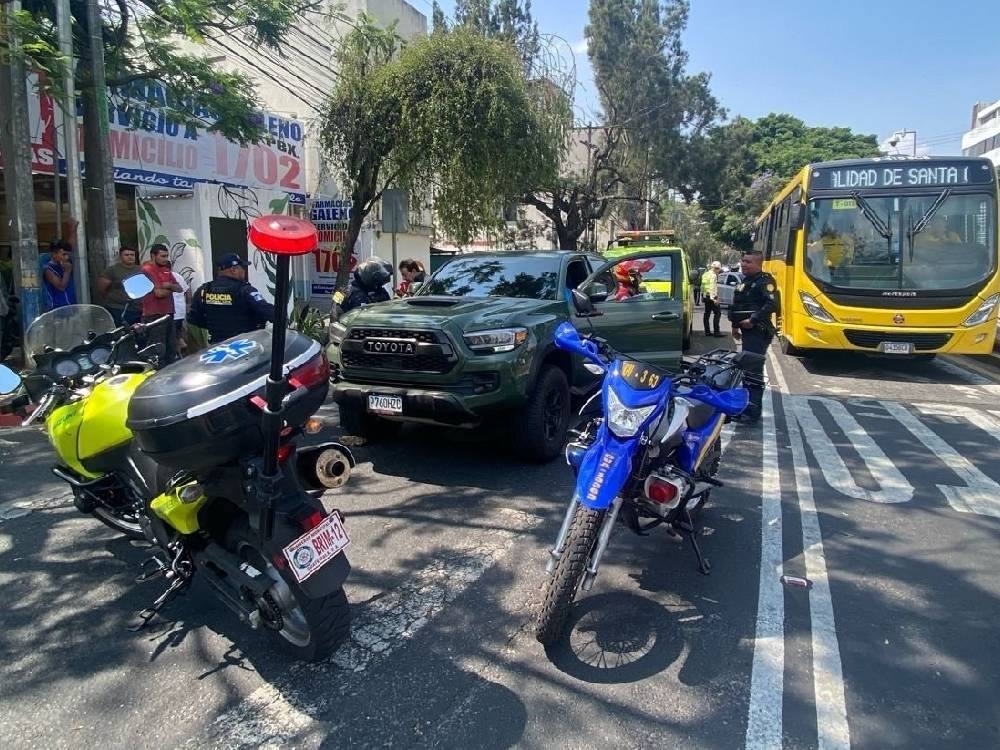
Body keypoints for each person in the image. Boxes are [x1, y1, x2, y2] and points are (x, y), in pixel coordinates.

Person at [729, 250, 777, 425]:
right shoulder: (746, 281)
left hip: (758, 330)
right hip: (746, 330)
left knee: (753, 371)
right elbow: (739, 304)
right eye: (742, 261)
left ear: (758, 263)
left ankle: (752, 411)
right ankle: (747, 406)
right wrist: (735, 325)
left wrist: (753, 319)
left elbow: (772, 304)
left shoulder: (765, 281)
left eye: (748, 262)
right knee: (746, 369)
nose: (743, 264)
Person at [188, 253, 275, 343]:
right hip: (244, 346)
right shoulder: (245, 290)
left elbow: (193, 318)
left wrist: (217, 327)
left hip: (217, 346)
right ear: (233, 269)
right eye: (242, 267)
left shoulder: (204, 290)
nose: (244, 271)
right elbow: (270, 313)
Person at [141, 244, 181, 363]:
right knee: (157, 349)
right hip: (154, 314)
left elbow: (180, 288)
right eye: (162, 256)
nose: (165, 259)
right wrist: (171, 289)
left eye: (167, 256)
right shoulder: (147, 269)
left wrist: (168, 286)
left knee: (171, 347)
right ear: (153, 256)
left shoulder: (166, 270)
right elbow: (158, 293)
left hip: (168, 313)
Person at [331, 256, 391, 320]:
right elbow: (364, 319)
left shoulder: (341, 291)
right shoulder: (359, 296)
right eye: (376, 283)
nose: (378, 286)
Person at [97, 246, 143, 325]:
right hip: (118, 308)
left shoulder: (141, 269)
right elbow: (101, 288)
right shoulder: (112, 270)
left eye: (132, 255)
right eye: (126, 255)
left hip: (138, 309)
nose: (130, 257)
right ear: (120, 256)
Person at [42, 239, 76, 309]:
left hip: (71, 306)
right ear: (54, 254)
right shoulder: (48, 270)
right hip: (58, 309)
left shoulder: (64, 264)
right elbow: (61, 287)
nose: (67, 257)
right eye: (63, 254)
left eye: (67, 254)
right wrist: (67, 271)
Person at [168, 262, 191, 356]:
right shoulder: (178, 276)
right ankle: (181, 346)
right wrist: (187, 305)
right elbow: (188, 291)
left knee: (171, 336)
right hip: (180, 311)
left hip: (172, 312)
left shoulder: (164, 277)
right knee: (177, 332)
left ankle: (177, 353)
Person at [701, 261, 723, 337]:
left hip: (706, 296)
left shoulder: (705, 274)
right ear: (716, 268)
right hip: (711, 296)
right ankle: (716, 332)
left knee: (707, 314)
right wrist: (714, 299)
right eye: (718, 269)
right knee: (718, 313)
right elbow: (712, 287)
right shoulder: (713, 275)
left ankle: (707, 332)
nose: (718, 271)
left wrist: (703, 296)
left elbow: (702, 286)